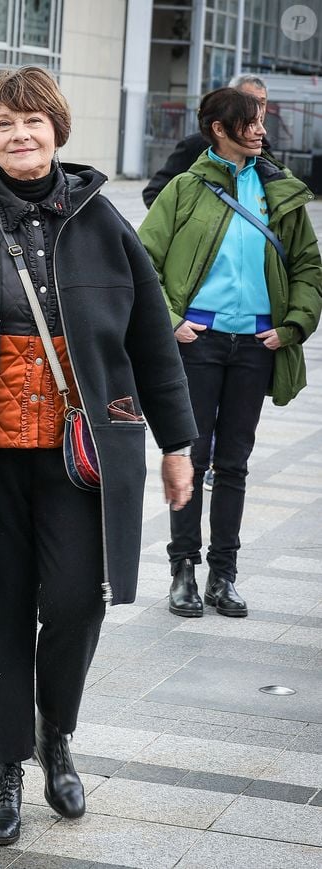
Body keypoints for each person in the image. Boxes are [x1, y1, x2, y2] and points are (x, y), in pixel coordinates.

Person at [0, 66, 197, 846]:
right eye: (3, 126)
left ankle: (56, 733)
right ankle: (5, 766)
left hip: (78, 455)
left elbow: (152, 341)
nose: (20, 136)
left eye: (33, 122)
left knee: (77, 599)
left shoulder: (100, 218)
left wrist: (178, 445)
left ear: (57, 128)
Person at [138, 87, 322, 620]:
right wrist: (172, 322)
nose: (261, 131)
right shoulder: (184, 189)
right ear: (219, 128)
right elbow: (143, 261)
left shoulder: (280, 192)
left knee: (234, 464)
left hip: (258, 345)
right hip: (199, 345)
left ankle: (224, 575)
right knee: (190, 458)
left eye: (263, 121)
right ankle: (183, 572)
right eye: (250, 122)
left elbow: (309, 267)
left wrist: (293, 326)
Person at [142, 74, 271, 209]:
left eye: (261, 103)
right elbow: (154, 193)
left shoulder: (265, 152)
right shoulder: (195, 146)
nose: (257, 110)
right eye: (247, 102)